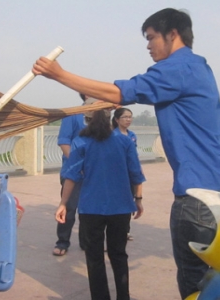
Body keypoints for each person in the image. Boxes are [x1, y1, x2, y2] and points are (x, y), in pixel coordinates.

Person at [33, 8, 220, 299]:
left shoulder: (177, 67)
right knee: (217, 276)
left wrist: (59, 75)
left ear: (173, 35)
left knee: (196, 281)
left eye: (152, 37)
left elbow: (124, 92)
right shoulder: (199, 68)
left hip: (200, 196)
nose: (148, 45)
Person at [56, 109, 145, 300]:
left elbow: (70, 175)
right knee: (119, 254)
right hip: (120, 207)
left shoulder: (81, 142)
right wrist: (138, 200)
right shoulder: (124, 142)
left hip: (91, 208)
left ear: (87, 121)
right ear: (110, 120)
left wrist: (63, 203)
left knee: (94, 257)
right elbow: (136, 173)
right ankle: (123, 296)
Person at [53, 93, 88, 256]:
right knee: (69, 206)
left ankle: (86, 242)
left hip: (93, 172)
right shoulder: (73, 115)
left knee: (89, 210)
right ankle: (62, 242)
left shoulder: (103, 117)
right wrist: (76, 163)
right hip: (73, 171)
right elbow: (64, 141)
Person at [112, 108, 137, 242]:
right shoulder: (113, 135)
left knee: (128, 202)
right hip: (117, 175)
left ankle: (125, 230)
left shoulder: (132, 135)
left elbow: (134, 156)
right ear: (117, 120)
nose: (128, 120)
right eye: (125, 117)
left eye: (130, 117)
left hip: (130, 175)